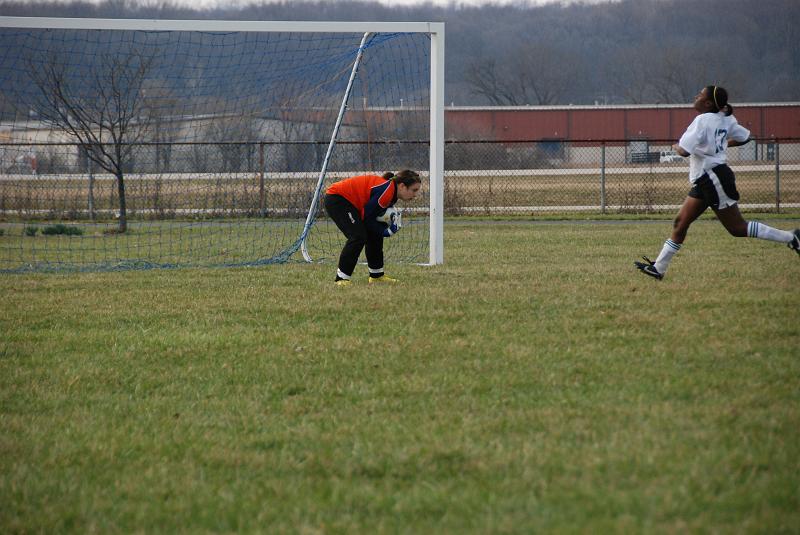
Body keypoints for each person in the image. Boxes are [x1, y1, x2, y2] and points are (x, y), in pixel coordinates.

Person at [635, 85, 800, 280]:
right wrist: (722, 143)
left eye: (700, 95)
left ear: (707, 103)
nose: (696, 96)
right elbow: (746, 137)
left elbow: (684, 151)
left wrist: (676, 146)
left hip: (713, 178)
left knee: (737, 228)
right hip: (706, 180)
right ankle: (659, 268)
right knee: (680, 223)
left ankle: (792, 237)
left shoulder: (702, 120)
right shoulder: (724, 119)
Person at [324, 169, 422, 286]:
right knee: (358, 236)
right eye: (414, 190)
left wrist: (384, 226)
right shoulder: (387, 191)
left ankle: (376, 275)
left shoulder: (391, 191)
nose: (415, 195)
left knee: (374, 233)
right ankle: (341, 279)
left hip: (349, 202)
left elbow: (371, 216)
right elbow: (366, 218)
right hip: (337, 199)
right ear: (402, 186)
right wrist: (385, 232)